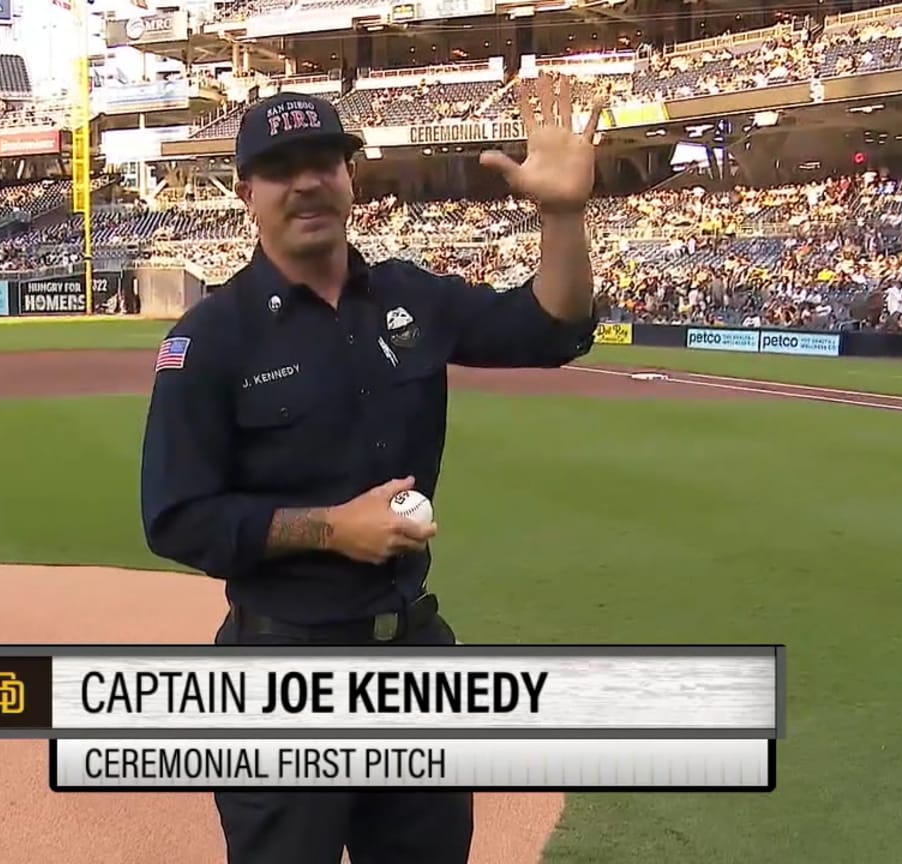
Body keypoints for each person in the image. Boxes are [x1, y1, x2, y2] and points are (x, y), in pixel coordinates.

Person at [138, 73, 604, 864]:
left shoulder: (410, 297)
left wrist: (562, 216)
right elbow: (177, 516)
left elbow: (551, 329)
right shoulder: (211, 338)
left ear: (352, 176)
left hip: (411, 659)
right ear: (247, 193)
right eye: (284, 168)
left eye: (327, 160)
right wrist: (331, 530)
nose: (310, 182)